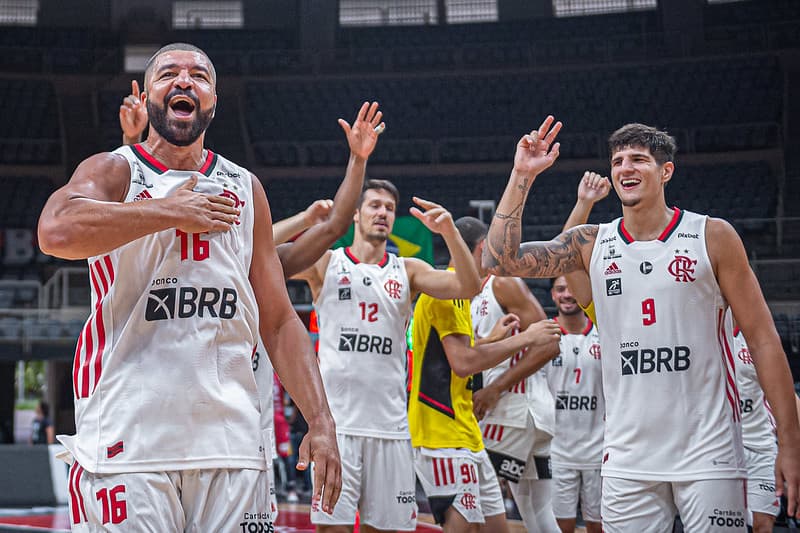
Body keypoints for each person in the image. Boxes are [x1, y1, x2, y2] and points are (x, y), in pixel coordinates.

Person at [38, 43, 342, 531]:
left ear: (214, 101)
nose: (184, 81)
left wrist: (320, 419)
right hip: (129, 441)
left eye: (198, 75)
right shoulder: (116, 170)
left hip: (231, 442)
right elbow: (55, 231)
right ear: (149, 95)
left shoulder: (245, 187)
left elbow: (281, 318)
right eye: (168, 74)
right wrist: (173, 210)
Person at [483, 117, 800, 531]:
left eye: (638, 159)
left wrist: (790, 447)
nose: (625, 168)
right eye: (617, 161)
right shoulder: (592, 242)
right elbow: (499, 260)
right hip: (627, 458)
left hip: (709, 452)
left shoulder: (712, 235)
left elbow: (762, 340)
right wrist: (521, 175)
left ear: (665, 171)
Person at [296, 179, 482, 533]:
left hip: (391, 429)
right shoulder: (326, 264)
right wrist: (306, 221)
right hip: (338, 429)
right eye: (374, 205)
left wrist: (450, 234)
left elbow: (468, 286)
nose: (382, 213)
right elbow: (261, 256)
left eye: (389, 208)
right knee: (331, 530)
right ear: (354, 214)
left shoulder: (408, 270)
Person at [409, 218, 561, 533]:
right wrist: (525, 338)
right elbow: (463, 362)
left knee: (496, 527)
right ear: (483, 248)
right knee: (469, 528)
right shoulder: (447, 290)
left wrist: (492, 340)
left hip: (468, 430)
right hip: (441, 432)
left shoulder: (462, 293)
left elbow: (453, 355)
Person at [457, 216, 560, 532]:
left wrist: (494, 389)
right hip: (518, 414)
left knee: (471, 495)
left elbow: (549, 342)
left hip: (514, 412)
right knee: (536, 511)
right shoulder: (466, 291)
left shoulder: (502, 283)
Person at [544, 276, 603, 533]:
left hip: (600, 450)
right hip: (557, 451)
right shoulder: (543, 336)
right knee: (561, 526)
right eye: (560, 289)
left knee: (600, 525)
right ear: (552, 296)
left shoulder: (604, 335)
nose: (567, 295)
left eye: (571, 288)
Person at [731, 316, 780, 533]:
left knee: (762, 524)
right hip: (722, 448)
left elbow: (784, 394)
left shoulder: (755, 340)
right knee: (729, 524)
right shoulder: (700, 337)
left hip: (761, 448)